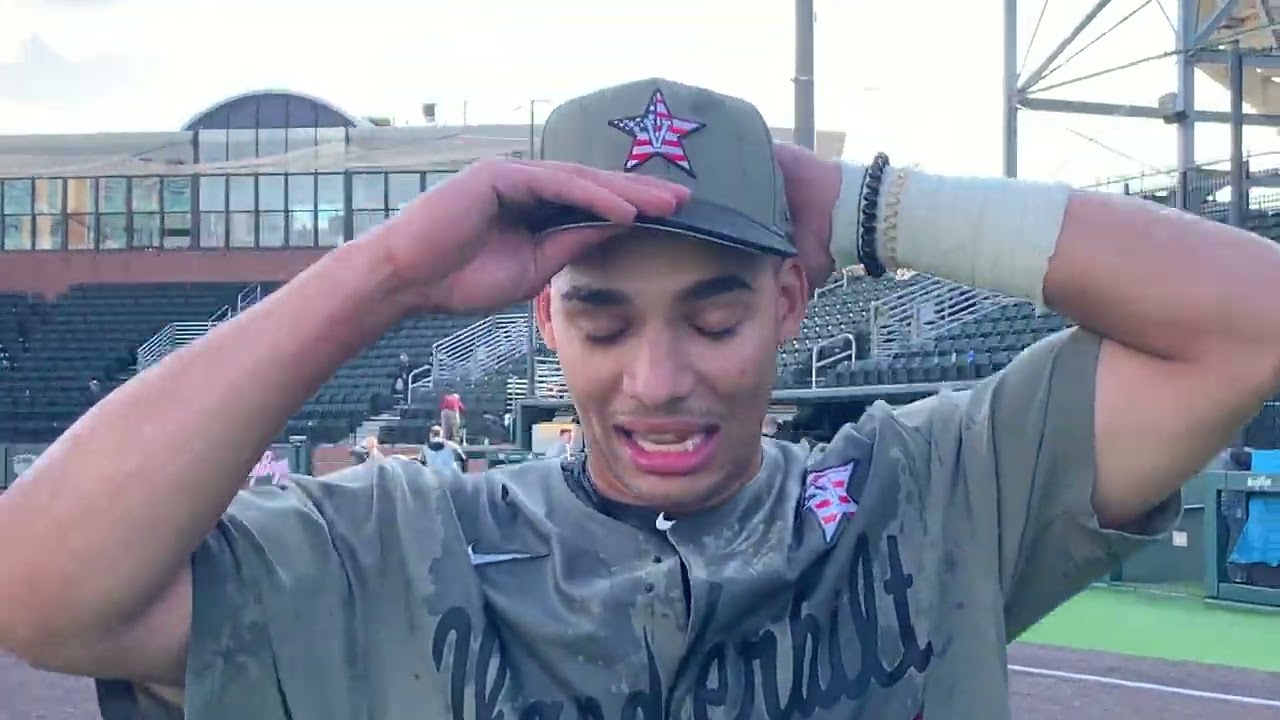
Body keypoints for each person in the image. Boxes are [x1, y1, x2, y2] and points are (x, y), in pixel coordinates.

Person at [0, 78, 1274, 719]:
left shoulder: (926, 491)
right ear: (542, 317)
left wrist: (877, 206)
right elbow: (40, 589)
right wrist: (380, 275)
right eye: (602, 320)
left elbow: (1249, 322)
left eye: (713, 315)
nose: (659, 383)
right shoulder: (393, 545)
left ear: (787, 303)